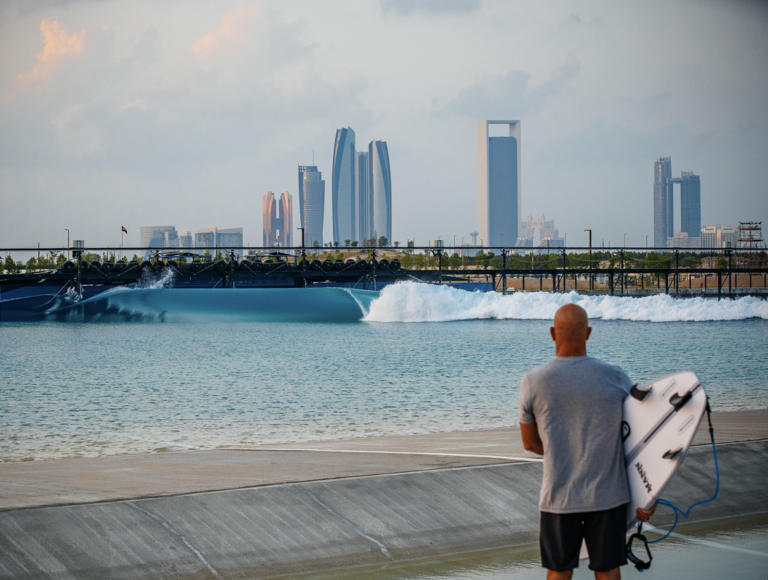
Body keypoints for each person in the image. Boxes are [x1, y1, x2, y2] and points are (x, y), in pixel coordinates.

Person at [519, 304, 656, 580]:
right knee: (608, 572)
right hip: (608, 498)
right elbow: (642, 439)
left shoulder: (533, 381)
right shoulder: (615, 377)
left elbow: (530, 444)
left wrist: (563, 450)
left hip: (559, 498)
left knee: (559, 573)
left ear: (552, 334)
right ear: (589, 333)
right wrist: (649, 495)